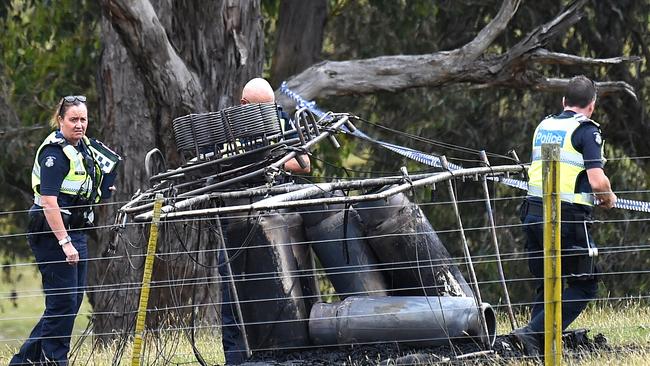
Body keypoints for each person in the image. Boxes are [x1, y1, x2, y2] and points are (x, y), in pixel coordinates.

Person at [513, 76, 617, 356]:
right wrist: (608, 198)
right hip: (567, 217)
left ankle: (530, 347)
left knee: (547, 281)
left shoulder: (543, 126)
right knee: (585, 284)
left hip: (532, 212)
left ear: (564, 102)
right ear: (592, 106)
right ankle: (535, 335)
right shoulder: (587, 131)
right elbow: (597, 182)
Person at [10, 95, 117, 365]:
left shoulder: (84, 148)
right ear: (60, 120)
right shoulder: (53, 153)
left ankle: (23, 362)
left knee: (70, 302)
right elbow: (48, 201)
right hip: (53, 233)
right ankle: (54, 360)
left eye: (83, 119)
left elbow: (84, 184)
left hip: (76, 230)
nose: (79, 125)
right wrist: (64, 241)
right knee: (62, 303)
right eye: (73, 120)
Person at [219, 78, 310, 365]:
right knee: (234, 293)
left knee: (285, 289)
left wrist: (271, 161)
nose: (266, 114)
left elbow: (304, 163)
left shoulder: (281, 120)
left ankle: (283, 356)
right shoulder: (227, 126)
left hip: (277, 219)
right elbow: (218, 166)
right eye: (260, 108)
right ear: (244, 105)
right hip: (236, 220)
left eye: (269, 107)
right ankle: (235, 358)